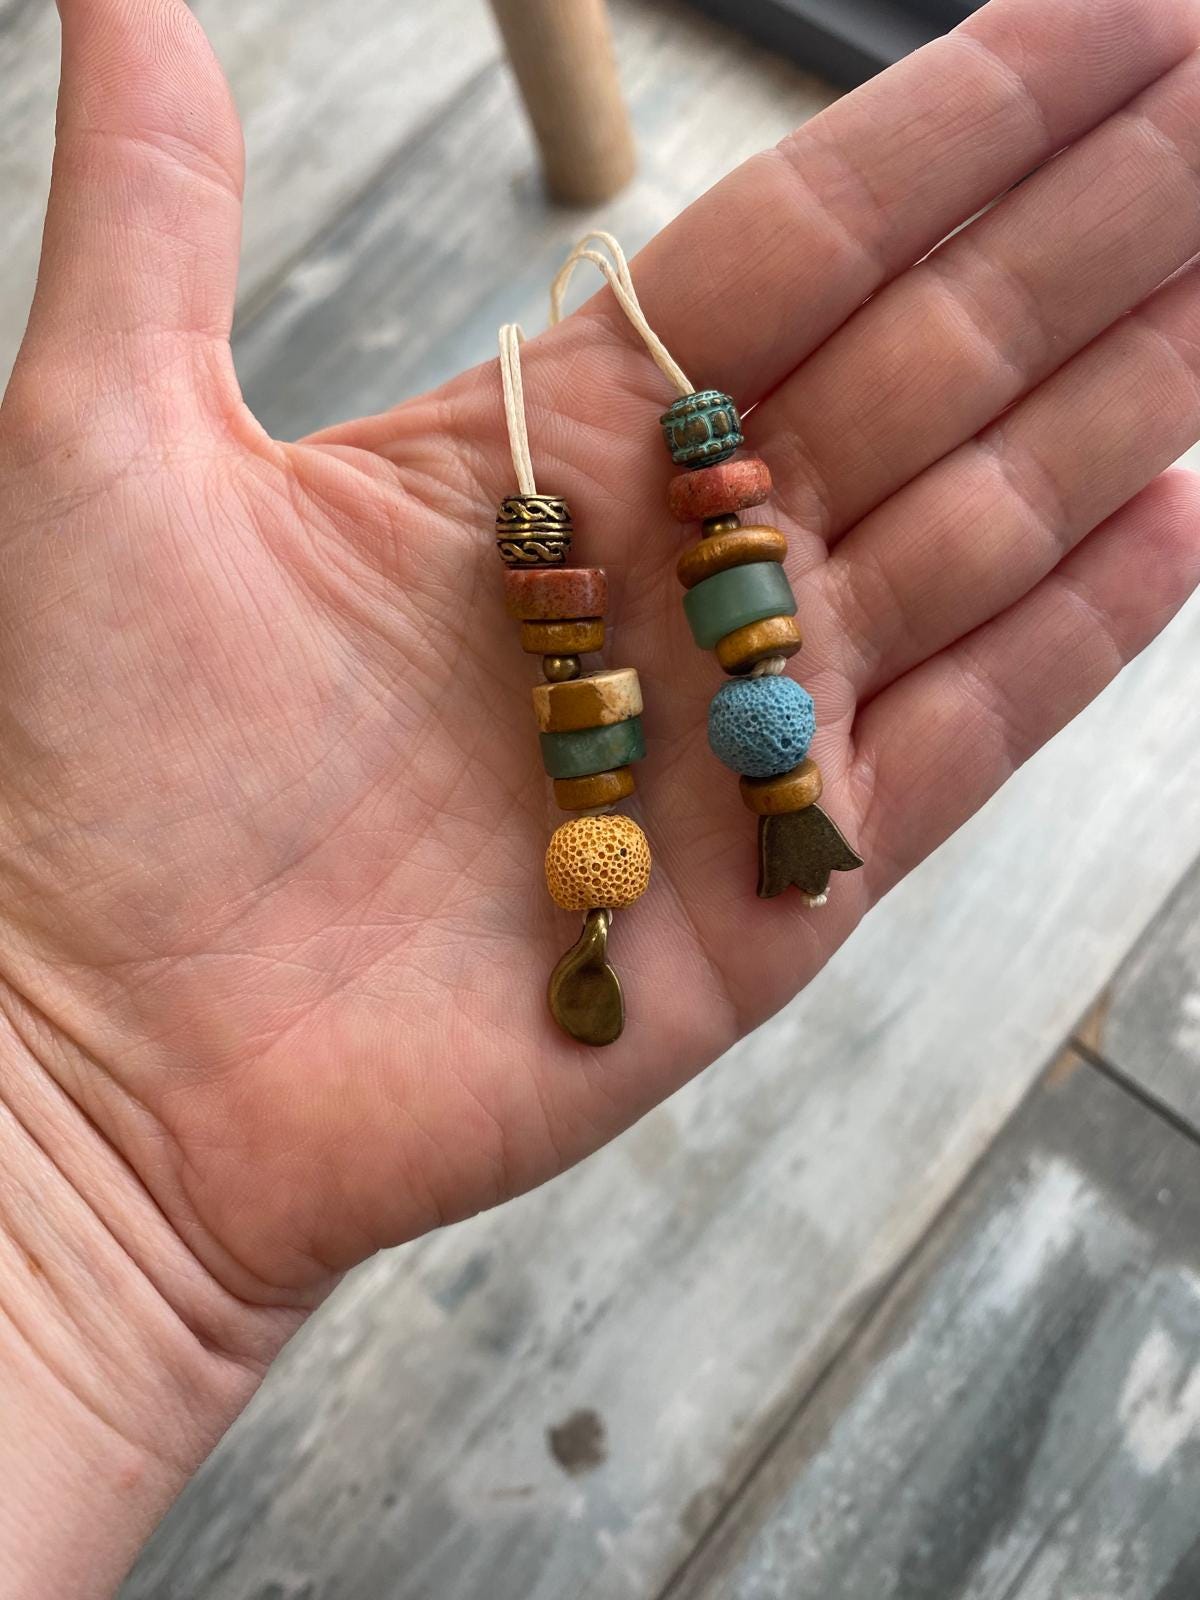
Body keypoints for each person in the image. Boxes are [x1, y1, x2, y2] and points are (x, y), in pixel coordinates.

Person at [2, 0, 1199, 1591]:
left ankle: (734, 831)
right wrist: (60, 1133)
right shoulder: (586, 588)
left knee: (723, 668)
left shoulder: (714, 551)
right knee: (649, 699)